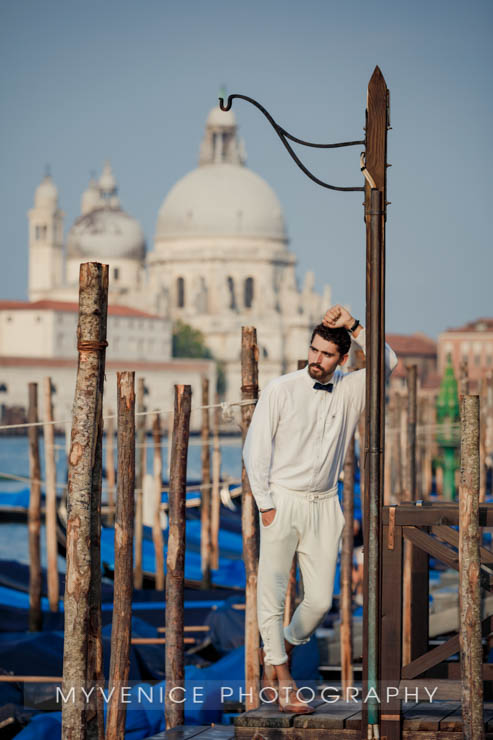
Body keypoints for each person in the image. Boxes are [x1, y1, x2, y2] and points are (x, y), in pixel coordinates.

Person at [243, 304, 397, 712]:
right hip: (283, 500)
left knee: (320, 603)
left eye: (326, 354)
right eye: (313, 350)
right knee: (272, 595)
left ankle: (281, 647)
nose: (316, 359)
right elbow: (254, 449)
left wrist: (353, 325)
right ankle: (282, 676)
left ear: (342, 359)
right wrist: (266, 504)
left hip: (326, 504)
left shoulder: (352, 388)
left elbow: (389, 362)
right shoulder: (281, 388)